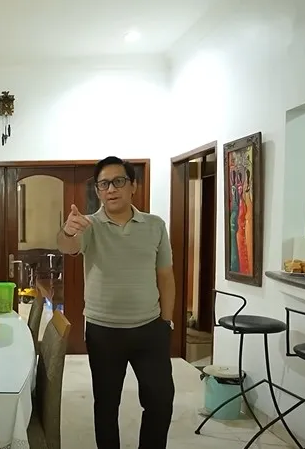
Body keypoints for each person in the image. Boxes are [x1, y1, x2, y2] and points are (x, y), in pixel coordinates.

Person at [57, 156, 175, 449]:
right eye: (104, 184)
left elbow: (165, 275)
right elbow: (67, 246)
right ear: (98, 191)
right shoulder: (89, 226)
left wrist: (166, 323)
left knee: (160, 400)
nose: (111, 189)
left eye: (118, 181)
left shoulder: (155, 225)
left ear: (133, 185)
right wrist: (68, 230)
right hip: (104, 331)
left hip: (150, 328)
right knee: (107, 405)